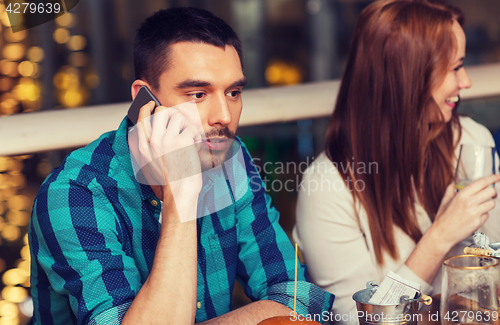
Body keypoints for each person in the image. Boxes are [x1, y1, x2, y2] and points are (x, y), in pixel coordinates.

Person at [29, 7, 334, 325]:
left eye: (233, 92)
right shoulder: (75, 194)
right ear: (145, 101)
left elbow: (299, 297)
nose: (224, 116)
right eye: (198, 94)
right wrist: (181, 199)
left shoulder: (229, 158)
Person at [292, 0, 500, 324]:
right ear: (409, 77)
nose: (467, 81)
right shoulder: (327, 185)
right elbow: (357, 320)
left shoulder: (472, 142)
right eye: (455, 67)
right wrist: (440, 236)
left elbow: (493, 274)